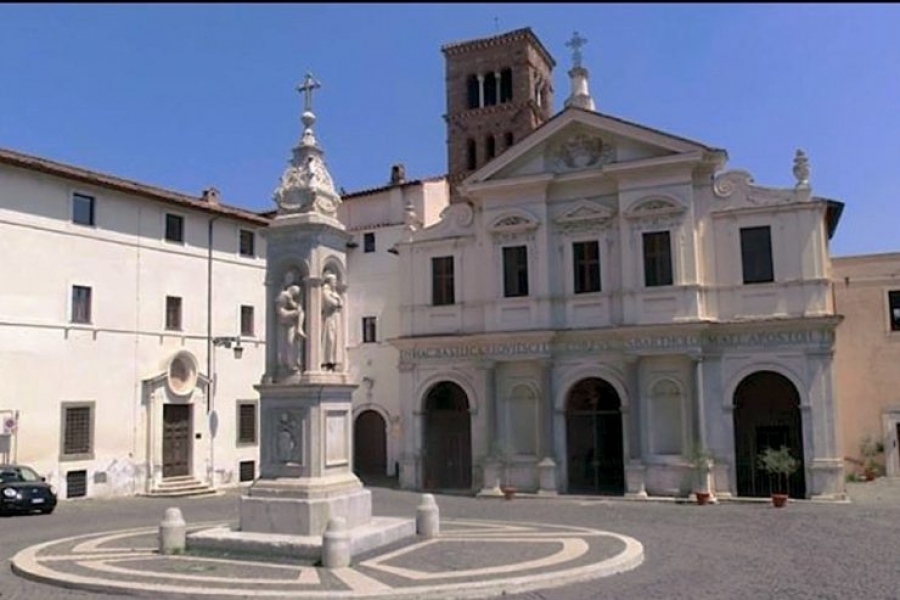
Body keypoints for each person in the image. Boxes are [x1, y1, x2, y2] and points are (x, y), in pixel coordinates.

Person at [275, 283, 305, 373]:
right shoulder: (283, 296)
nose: (293, 297)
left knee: (293, 343)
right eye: (294, 294)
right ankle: (288, 364)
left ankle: (294, 363)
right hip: (284, 324)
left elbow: (295, 306)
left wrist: (296, 310)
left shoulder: (288, 298)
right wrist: (295, 313)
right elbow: (282, 313)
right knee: (288, 343)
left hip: (291, 324)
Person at [321, 272, 342, 370]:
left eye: (335, 280)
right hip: (329, 317)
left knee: (335, 340)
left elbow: (340, 303)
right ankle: (326, 361)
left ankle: (333, 361)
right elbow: (332, 303)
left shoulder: (334, 292)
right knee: (329, 338)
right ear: (329, 282)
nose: (335, 283)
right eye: (333, 281)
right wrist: (337, 301)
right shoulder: (325, 291)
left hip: (336, 317)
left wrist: (337, 301)